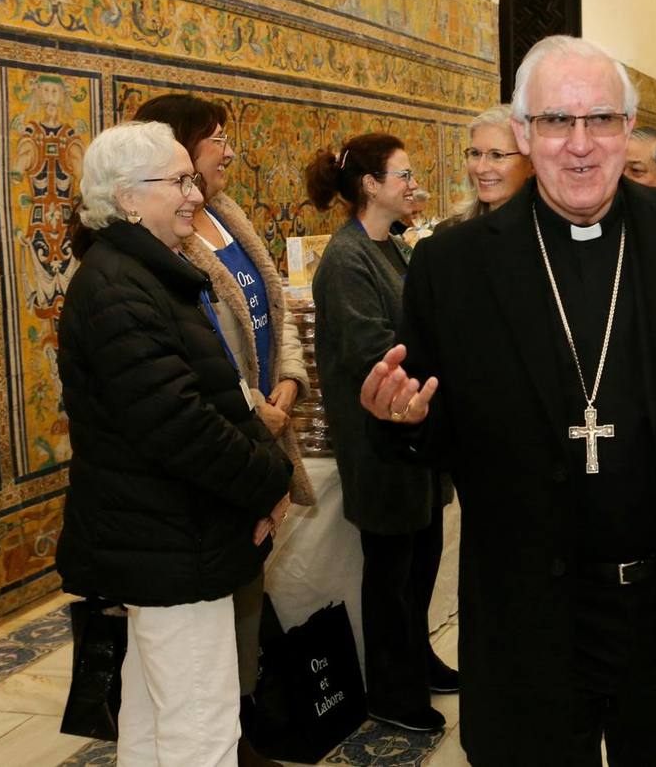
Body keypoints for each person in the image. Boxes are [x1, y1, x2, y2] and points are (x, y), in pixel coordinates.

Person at [358, 35, 656, 767]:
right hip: (533, 611)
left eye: (602, 121)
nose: (580, 145)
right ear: (524, 134)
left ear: (629, 129)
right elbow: (433, 418)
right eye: (557, 121)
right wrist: (404, 421)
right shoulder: (455, 265)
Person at [57, 122, 292, 766]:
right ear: (129, 198)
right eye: (179, 181)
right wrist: (268, 479)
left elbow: (217, 396)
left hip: (172, 529)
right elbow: (179, 426)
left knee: (155, 710)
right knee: (198, 722)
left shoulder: (147, 272)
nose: (194, 193)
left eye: (192, 177)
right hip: (169, 536)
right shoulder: (119, 287)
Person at [132, 94, 313, 767]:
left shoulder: (228, 216)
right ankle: (228, 730)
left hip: (266, 416)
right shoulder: (164, 243)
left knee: (249, 581)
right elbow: (191, 347)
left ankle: (241, 716)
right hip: (227, 431)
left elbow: (274, 302)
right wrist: (251, 409)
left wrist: (289, 382)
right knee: (223, 589)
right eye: (215, 141)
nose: (229, 152)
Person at [307, 135, 457, 734]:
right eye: (404, 175)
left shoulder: (392, 246)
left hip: (415, 433)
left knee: (422, 558)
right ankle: (392, 693)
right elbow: (372, 353)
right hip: (379, 439)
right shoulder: (346, 260)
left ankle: (417, 661)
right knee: (391, 572)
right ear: (371, 185)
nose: (413, 184)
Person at [456, 103, 535, 218]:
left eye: (497, 155)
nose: (480, 169)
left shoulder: (554, 231)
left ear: (531, 164)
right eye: (475, 153)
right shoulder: (450, 232)